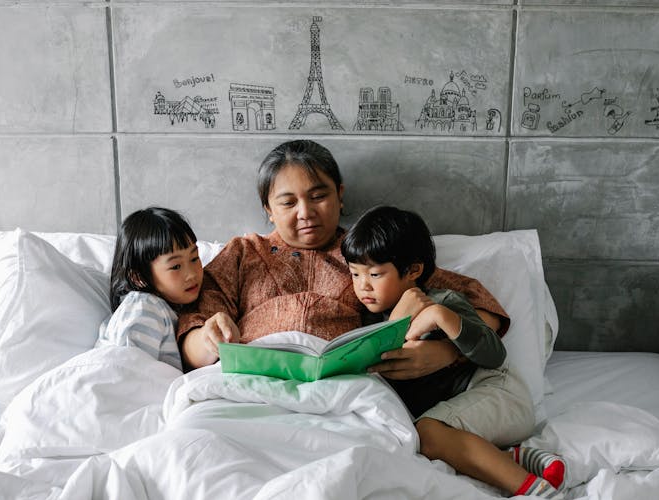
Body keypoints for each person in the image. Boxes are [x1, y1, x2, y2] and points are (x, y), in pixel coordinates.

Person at [177, 139, 509, 379]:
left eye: (318, 196)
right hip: (253, 382)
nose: (305, 213)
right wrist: (209, 341)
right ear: (269, 209)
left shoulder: (370, 255)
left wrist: (446, 353)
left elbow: (482, 307)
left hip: (344, 387)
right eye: (288, 203)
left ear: (340, 195)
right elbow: (192, 334)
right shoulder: (243, 253)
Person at [341, 205, 566, 499]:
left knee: (428, 433)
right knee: (427, 435)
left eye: (374, 274)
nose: (363, 286)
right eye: (355, 274)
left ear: (414, 271)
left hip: (500, 392)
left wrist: (440, 316)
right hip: (468, 419)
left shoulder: (444, 300)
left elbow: (494, 354)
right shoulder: (369, 317)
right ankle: (518, 458)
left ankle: (536, 492)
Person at [95, 207, 203, 370]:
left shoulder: (169, 309)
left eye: (194, 258)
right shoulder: (144, 307)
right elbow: (129, 371)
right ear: (138, 277)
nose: (191, 274)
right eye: (176, 266)